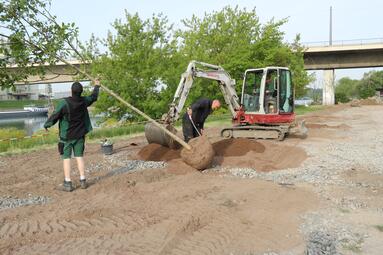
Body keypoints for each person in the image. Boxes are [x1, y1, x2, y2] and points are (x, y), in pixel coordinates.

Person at [44, 80, 100, 192]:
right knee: (79, 157)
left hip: (66, 137)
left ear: (71, 91)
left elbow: (55, 115)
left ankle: (68, 183)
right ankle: (83, 180)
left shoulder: (64, 103)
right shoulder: (84, 101)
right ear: (81, 92)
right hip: (80, 135)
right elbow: (93, 97)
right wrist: (97, 86)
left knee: (66, 158)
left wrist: (47, 124)